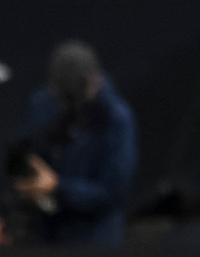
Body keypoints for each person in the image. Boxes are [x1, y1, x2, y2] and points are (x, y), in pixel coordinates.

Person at [3, 41, 137, 246]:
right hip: (45, 237)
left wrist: (58, 186)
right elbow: (26, 152)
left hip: (95, 242)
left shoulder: (118, 119)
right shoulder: (44, 102)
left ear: (95, 81)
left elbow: (111, 193)